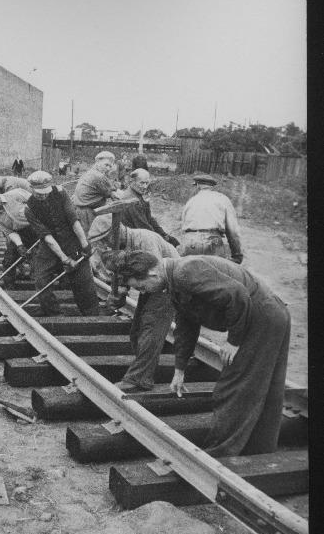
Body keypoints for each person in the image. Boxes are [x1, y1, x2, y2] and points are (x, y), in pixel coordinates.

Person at [103, 250, 290, 456]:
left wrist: (233, 341)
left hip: (261, 317)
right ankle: (258, 450)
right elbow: (186, 324)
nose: (144, 291)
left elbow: (238, 295)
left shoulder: (186, 272)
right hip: (268, 315)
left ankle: (221, 454)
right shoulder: (173, 283)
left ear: (153, 274)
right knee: (265, 387)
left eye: (141, 287)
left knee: (234, 387)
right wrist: (180, 369)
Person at [88, 216, 178, 393]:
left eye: (105, 240)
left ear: (117, 233)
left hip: (167, 286)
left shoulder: (145, 240)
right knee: (136, 331)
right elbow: (129, 271)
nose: (104, 245)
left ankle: (139, 379)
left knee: (150, 329)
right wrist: (119, 292)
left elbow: (155, 276)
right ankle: (144, 369)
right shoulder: (124, 244)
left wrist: (125, 287)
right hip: (152, 287)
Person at [25, 171, 101, 317]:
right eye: (39, 193)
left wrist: (85, 245)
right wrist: (64, 259)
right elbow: (46, 236)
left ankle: (92, 314)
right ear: (31, 188)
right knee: (40, 280)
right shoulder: (29, 208)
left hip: (72, 240)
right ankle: (54, 313)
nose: (43, 196)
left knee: (84, 281)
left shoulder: (61, 193)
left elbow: (74, 221)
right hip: (49, 245)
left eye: (45, 192)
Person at [0, 183, 38, 287]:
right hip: (21, 234)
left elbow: (39, 203)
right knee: (9, 260)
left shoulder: (16, 194)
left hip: (38, 228)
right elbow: (10, 232)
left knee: (40, 260)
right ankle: (9, 290)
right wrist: (19, 245)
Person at [179, 173, 243, 262]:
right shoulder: (222, 199)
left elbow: (183, 229)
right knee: (215, 273)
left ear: (197, 186)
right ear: (212, 187)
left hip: (190, 243)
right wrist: (237, 254)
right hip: (212, 243)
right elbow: (233, 230)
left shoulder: (190, 201)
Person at [121, 169, 180, 247]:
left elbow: (149, 219)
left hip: (137, 234)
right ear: (132, 181)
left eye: (147, 183)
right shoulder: (132, 199)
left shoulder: (137, 194)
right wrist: (163, 241)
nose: (145, 186)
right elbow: (144, 226)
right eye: (142, 183)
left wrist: (165, 235)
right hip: (130, 241)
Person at [72, 151, 122, 234]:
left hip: (80, 209)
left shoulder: (90, 172)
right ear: (97, 162)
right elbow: (113, 195)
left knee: (84, 237)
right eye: (106, 165)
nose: (108, 168)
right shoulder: (98, 176)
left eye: (110, 166)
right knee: (92, 237)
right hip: (87, 213)